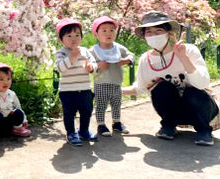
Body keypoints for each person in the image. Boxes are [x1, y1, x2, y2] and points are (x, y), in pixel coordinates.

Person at [122, 11, 218, 146]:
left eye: (159, 30)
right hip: (174, 111)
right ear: (144, 36)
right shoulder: (146, 59)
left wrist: (183, 57)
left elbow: (202, 83)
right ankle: (168, 125)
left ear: (169, 33)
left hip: (202, 109)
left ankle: (203, 130)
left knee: (192, 91)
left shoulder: (189, 50)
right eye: (149, 32)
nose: (154, 35)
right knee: (162, 87)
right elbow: (140, 88)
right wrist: (114, 90)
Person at [55, 18, 98, 146]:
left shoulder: (85, 51)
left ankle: (83, 131)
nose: (74, 38)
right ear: (61, 39)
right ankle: (71, 133)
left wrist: (91, 67)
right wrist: (72, 57)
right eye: (69, 36)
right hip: (68, 91)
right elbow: (60, 68)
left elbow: (94, 64)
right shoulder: (61, 53)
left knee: (87, 111)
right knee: (69, 114)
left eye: (77, 35)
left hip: (85, 89)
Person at [90, 16, 134, 137]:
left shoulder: (118, 48)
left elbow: (131, 55)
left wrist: (126, 61)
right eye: (104, 30)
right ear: (96, 34)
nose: (108, 33)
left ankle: (117, 123)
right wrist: (98, 65)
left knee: (116, 104)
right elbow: (89, 64)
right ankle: (101, 124)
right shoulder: (93, 50)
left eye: (111, 30)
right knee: (101, 105)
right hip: (101, 83)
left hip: (117, 83)